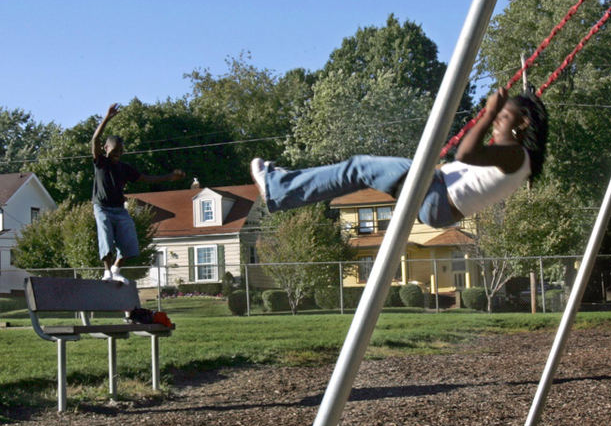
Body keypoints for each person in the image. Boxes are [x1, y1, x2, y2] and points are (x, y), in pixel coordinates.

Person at [250, 89, 548, 228]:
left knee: (358, 168)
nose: (496, 121)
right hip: (439, 204)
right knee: (357, 172)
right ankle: (282, 189)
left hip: (437, 197)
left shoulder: (512, 155)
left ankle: (279, 189)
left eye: (502, 117)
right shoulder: (516, 162)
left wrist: (487, 112)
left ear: (522, 123)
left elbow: (466, 152)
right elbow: (463, 165)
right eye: (497, 117)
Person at [92, 103, 186, 284]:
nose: (118, 154)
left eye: (121, 151)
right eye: (114, 150)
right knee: (105, 235)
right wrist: (106, 118)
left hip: (119, 209)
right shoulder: (100, 163)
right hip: (102, 208)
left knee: (130, 241)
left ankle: (116, 269)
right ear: (106, 148)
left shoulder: (125, 168)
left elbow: (145, 179)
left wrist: (169, 177)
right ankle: (107, 272)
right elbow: (95, 140)